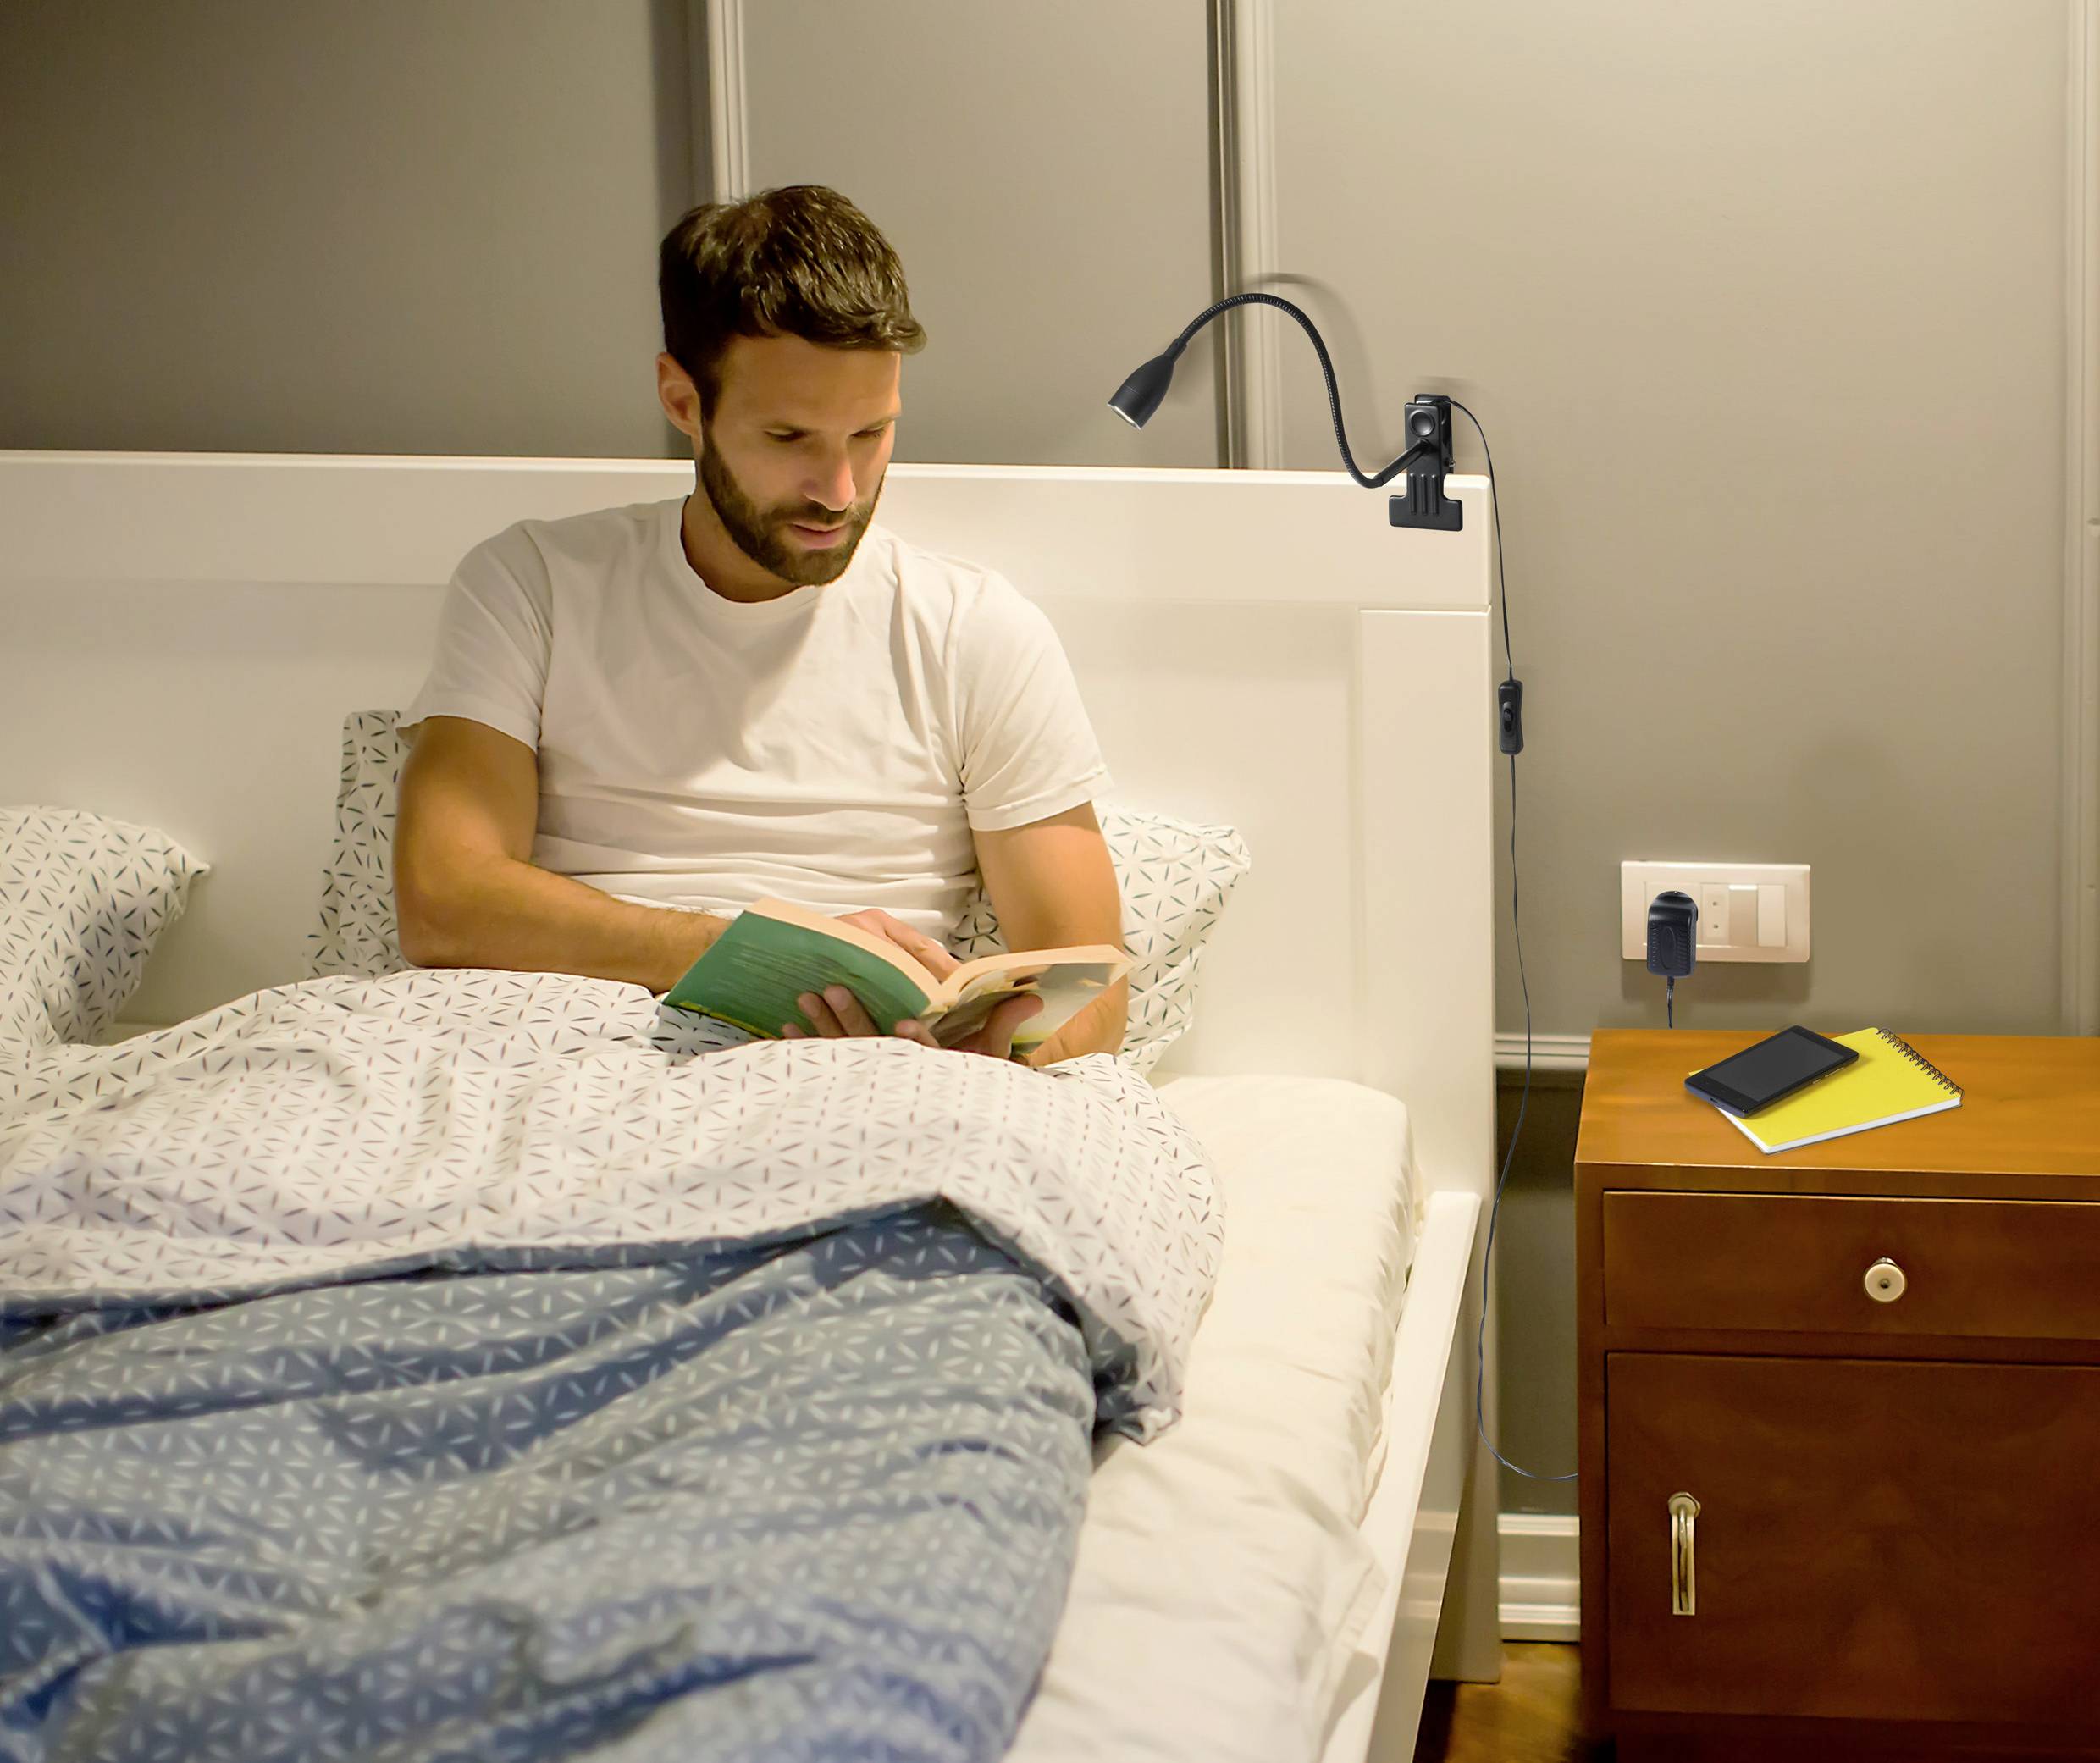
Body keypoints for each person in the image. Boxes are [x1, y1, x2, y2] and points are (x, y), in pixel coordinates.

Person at [393, 185, 1125, 1065]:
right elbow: (441, 902)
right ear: (680, 399)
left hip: (882, 1072)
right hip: (553, 1046)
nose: (838, 490)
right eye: (788, 438)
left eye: (870, 434)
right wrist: (775, 959)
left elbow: (1091, 998)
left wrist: (973, 1050)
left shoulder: (974, 629)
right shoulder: (534, 584)